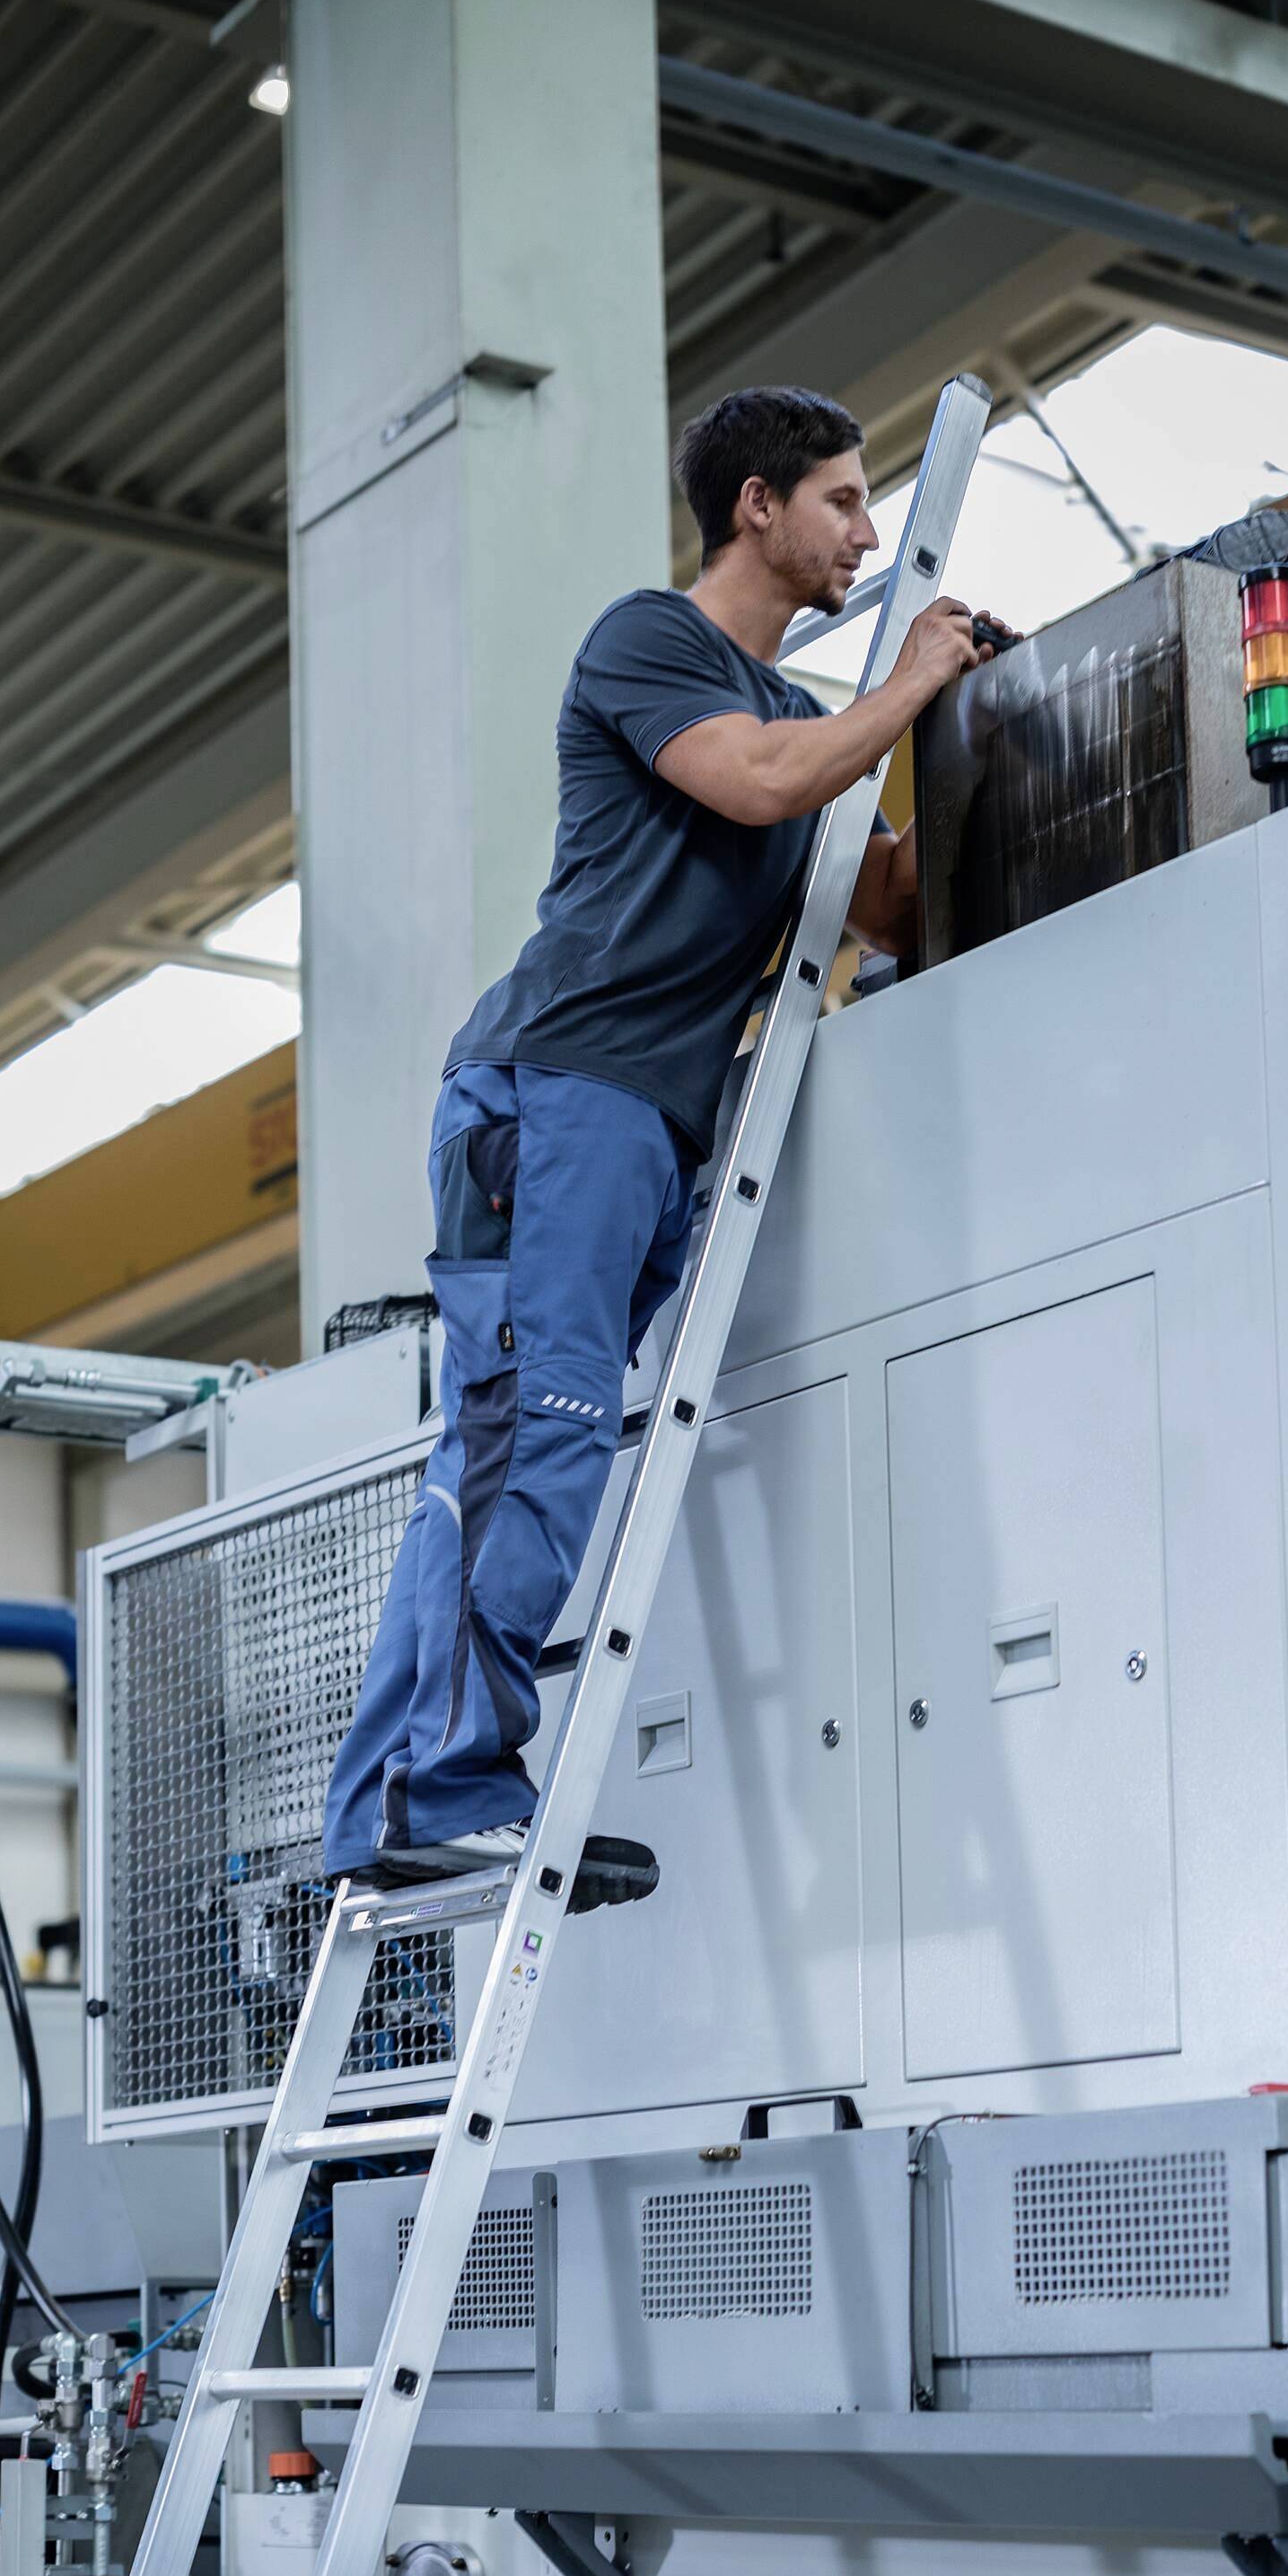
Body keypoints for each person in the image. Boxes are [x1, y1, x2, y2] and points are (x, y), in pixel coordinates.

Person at [322, 382, 986, 1904]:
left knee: (511, 1441)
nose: (866, 533)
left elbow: (886, 908)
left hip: (649, 1127)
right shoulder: (652, 643)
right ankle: (444, 1785)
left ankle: (397, 1797)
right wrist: (907, 679)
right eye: (841, 499)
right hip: (558, 1091)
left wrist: (964, 714)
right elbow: (752, 783)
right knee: (536, 1430)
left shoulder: (809, 725)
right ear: (757, 505)